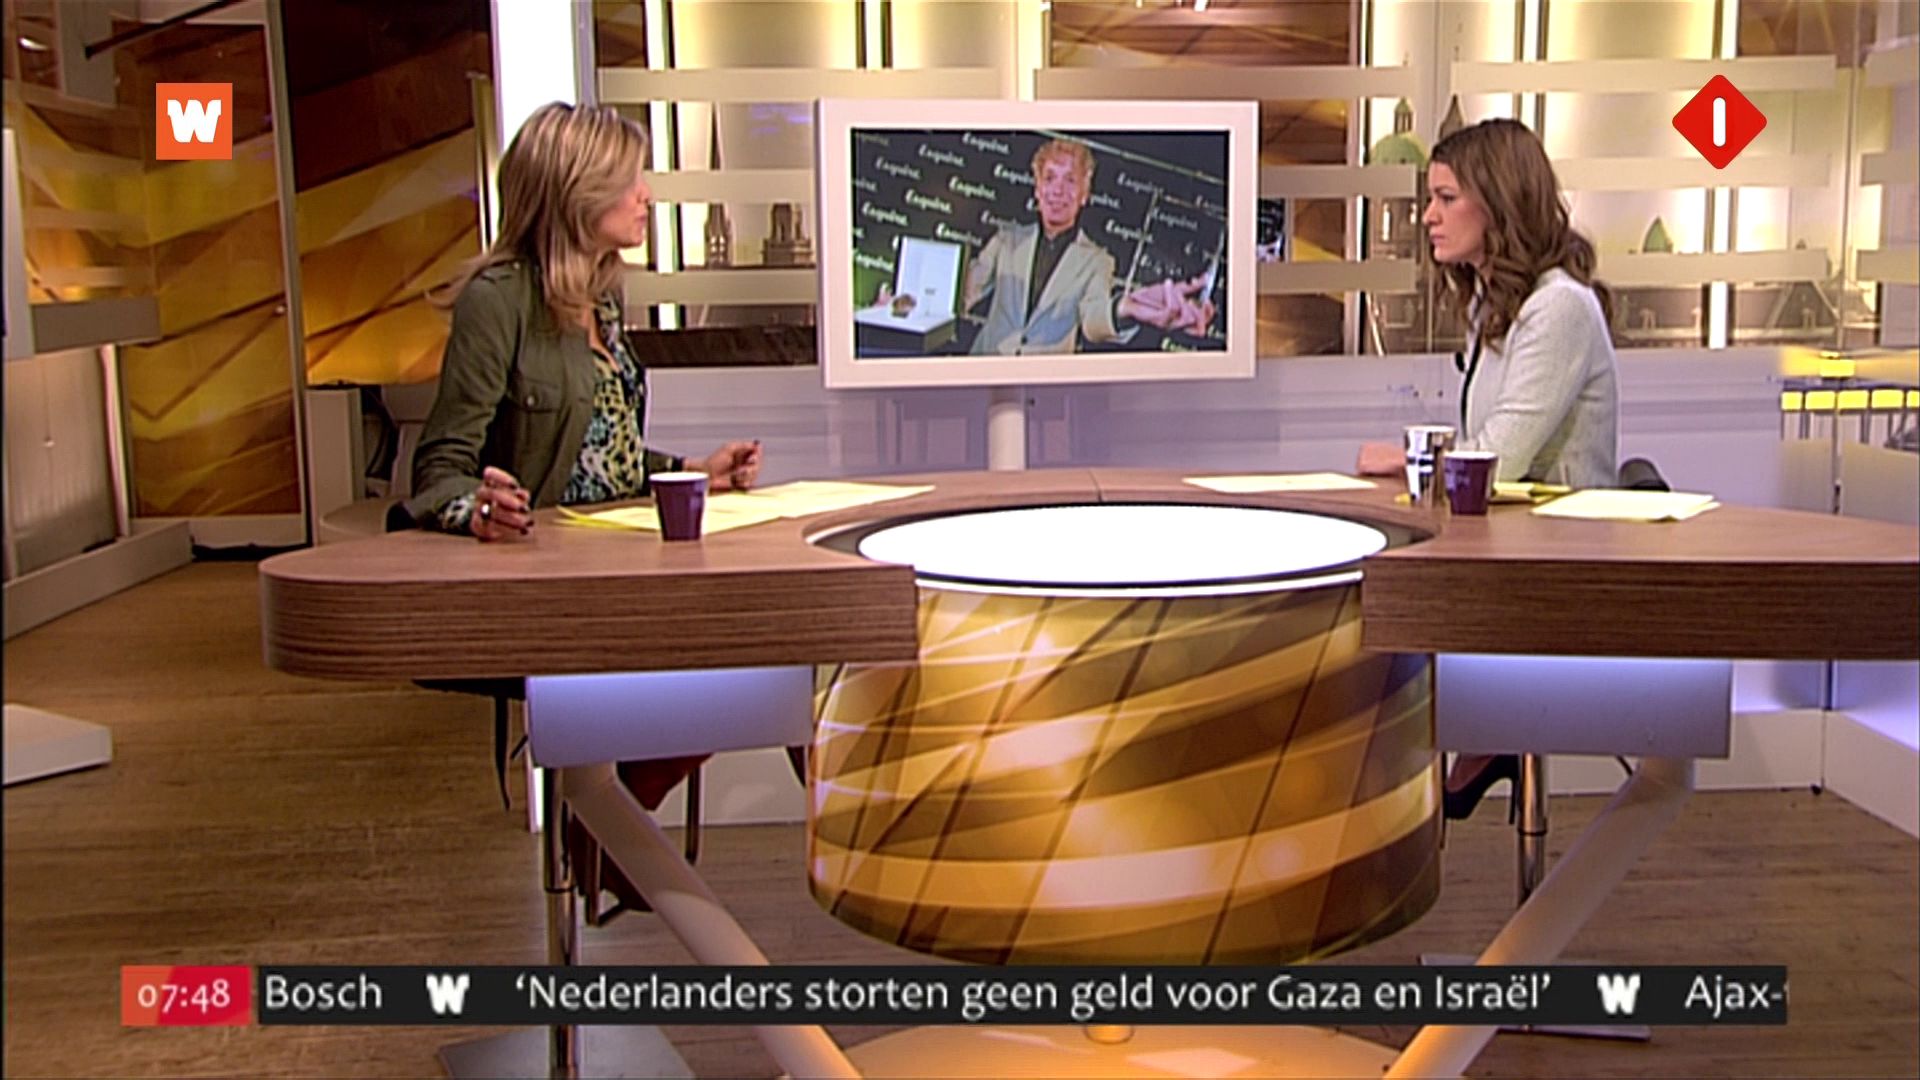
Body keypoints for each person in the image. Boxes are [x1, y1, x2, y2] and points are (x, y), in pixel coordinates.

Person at [399, 101, 763, 916]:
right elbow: (439, 471)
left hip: (624, 563)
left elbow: (603, 458)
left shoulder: (601, 299)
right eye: (629, 180)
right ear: (576, 193)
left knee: (774, 638)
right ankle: (607, 830)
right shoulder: (499, 300)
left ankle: (611, 827)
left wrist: (694, 472)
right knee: (743, 652)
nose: (646, 195)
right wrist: (478, 510)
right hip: (554, 586)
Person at [1357, 118, 1620, 818]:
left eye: (1446, 199)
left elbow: (1499, 458)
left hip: (1560, 569)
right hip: (1513, 549)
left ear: (1498, 205)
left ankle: (1466, 747)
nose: (1427, 216)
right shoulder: (1496, 305)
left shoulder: (1558, 308)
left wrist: (1411, 459)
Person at [879, 138, 1213, 354]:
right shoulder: (1006, 240)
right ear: (1037, 188)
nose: (1058, 190)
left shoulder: (1097, 260)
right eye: (1050, 178)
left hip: (1047, 392)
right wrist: (903, 304)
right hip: (986, 376)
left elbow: (1093, 320)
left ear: (1084, 195)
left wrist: (1128, 307)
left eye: (1070, 181)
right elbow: (963, 293)